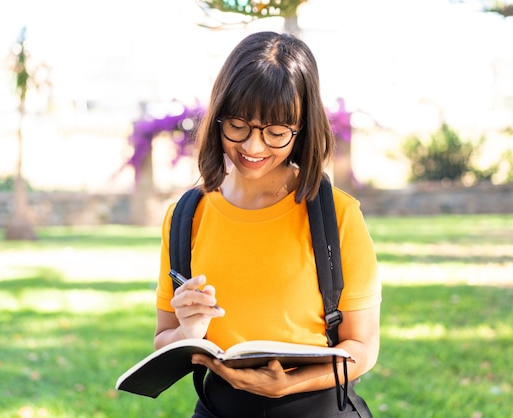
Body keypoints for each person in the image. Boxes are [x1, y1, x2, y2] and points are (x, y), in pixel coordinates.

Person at [154, 31, 381, 418]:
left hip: (317, 406)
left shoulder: (338, 215)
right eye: (238, 126)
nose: (254, 148)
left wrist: (288, 384)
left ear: (302, 128)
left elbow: (361, 349)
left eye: (276, 132)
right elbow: (163, 341)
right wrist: (188, 331)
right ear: (219, 117)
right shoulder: (186, 217)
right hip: (218, 406)